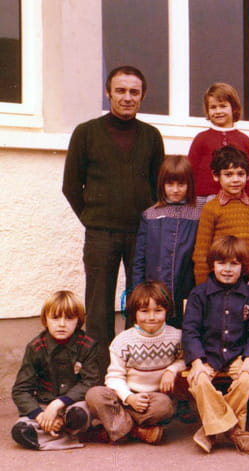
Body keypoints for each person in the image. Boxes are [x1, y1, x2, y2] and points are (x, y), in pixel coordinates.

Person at [62, 65, 164, 375]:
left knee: (140, 302)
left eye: (134, 92)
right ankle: (97, 372)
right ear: (108, 93)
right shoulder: (86, 133)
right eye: (120, 90)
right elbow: (71, 186)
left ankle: (137, 369)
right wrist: (93, 218)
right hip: (101, 234)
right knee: (98, 306)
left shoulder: (151, 136)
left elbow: (158, 187)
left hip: (141, 234)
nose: (127, 97)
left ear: (142, 96)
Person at [182, 235, 249, 454]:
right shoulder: (199, 294)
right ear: (212, 264)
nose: (227, 269)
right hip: (207, 355)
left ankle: (209, 431)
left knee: (247, 381)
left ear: (243, 266)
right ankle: (235, 432)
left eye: (234, 264)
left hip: (237, 355)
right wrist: (197, 363)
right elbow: (190, 331)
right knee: (199, 381)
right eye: (221, 263)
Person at [85, 281, 185, 445]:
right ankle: (137, 431)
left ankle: (115, 427)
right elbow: (114, 377)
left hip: (151, 400)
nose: (151, 317)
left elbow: (185, 360)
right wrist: (129, 397)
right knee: (94, 394)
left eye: (158, 311)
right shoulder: (123, 341)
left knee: (165, 406)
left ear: (167, 310)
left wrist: (172, 369)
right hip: (123, 397)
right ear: (134, 312)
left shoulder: (176, 337)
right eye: (144, 311)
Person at [11, 291, 99, 450]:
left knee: (79, 415)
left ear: (78, 321)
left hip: (73, 404)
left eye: (69, 318)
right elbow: (21, 390)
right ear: (45, 320)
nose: (62, 324)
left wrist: (58, 404)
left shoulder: (87, 345)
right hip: (44, 407)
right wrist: (40, 416)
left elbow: (90, 382)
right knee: (20, 431)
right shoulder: (36, 347)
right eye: (55, 318)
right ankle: (69, 434)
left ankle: (55, 434)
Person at [133, 156, 201, 327]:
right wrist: (138, 292)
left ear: (189, 184)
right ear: (161, 184)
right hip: (155, 291)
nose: (175, 190)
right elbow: (139, 259)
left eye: (181, 184)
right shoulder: (150, 215)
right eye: (170, 184)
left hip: (186, 289)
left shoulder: (197, 215)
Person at [192, 146, 249, 285]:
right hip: (221, 281)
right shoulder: (210, 208)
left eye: (240, 174)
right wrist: (204, 289)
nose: (235, 179)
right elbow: (201, 253)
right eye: (228, 174)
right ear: (216, 176)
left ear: (248, 176)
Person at [188, 82, 249, 207]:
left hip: (237, 199)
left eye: (223, 106)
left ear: (234, 108)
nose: (218, 111)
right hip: (203, 200)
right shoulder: (201, 139)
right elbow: (190, 172)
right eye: (213, 107)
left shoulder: (244, 141)